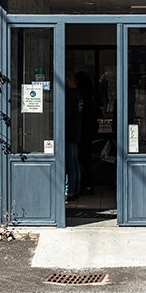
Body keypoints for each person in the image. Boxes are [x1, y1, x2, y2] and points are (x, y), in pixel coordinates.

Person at [75, 71, 98, 196]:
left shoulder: (81, 96)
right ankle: (87, 184)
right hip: (88, 130)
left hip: (83, 131)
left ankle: (85, 184)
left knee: (82, 158)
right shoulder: (90, 96)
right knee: (86, 158)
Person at [64, 70, 83, 201]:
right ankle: (76, 188)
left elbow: (67, 115)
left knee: (70, 163)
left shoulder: (70, 95)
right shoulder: (79, 95)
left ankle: (70, 190)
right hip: (76, 132)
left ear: (68, 79)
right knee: (75, 162)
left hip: (69, 132)